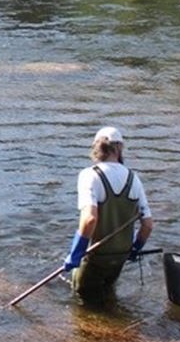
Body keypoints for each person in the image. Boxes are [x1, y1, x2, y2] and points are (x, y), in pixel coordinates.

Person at [61, 126, 154, 306]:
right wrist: (135, 249)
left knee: (82, 302)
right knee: (109, 296)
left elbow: (90, 219)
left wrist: (76, 252)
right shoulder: (134, 178)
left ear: (95, 148)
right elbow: (148, 225)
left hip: (94, 255)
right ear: (119, 149)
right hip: (120, 256)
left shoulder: (89, 175)